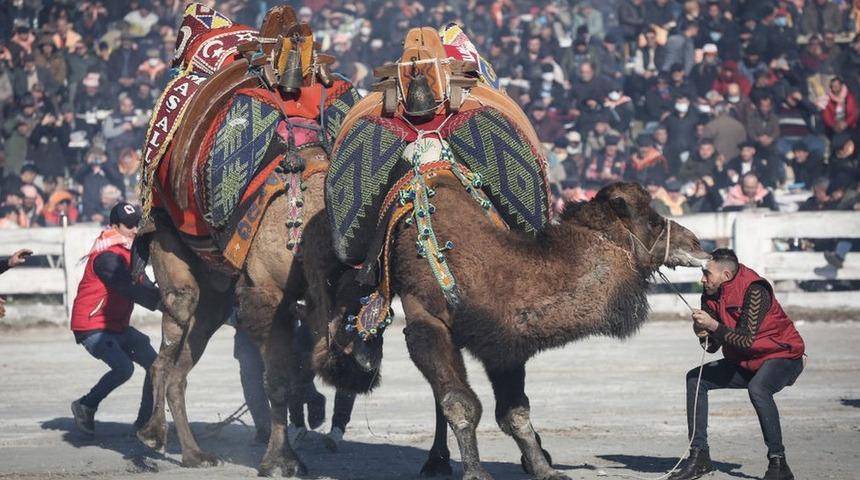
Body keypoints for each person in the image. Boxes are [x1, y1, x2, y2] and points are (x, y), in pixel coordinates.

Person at [671, 248, 804, 480]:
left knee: (759, 388)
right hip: (745, 361)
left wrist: (713, 326)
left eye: (707, 273)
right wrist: (701, 332)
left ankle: (779, 463)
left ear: (726, 275)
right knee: (696, 378)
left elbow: (745, 340)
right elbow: (712, 347)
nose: (702, 278)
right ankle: (699, 456)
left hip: (783, 356)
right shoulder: (710, 293)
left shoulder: (755, 290)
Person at [70, 202, 161, 435]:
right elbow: (126, 286)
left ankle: (144, 423)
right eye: (128, 225)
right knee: (124, 368)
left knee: (156, 367)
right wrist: (158, 303)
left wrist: (166, 300)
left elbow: (145, 284)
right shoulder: (106, 255)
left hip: (117, 326)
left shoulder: (131, 251)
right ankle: (85, 405)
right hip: (92, 326)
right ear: (114, 226)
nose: (134, 229)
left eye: (136, 224)